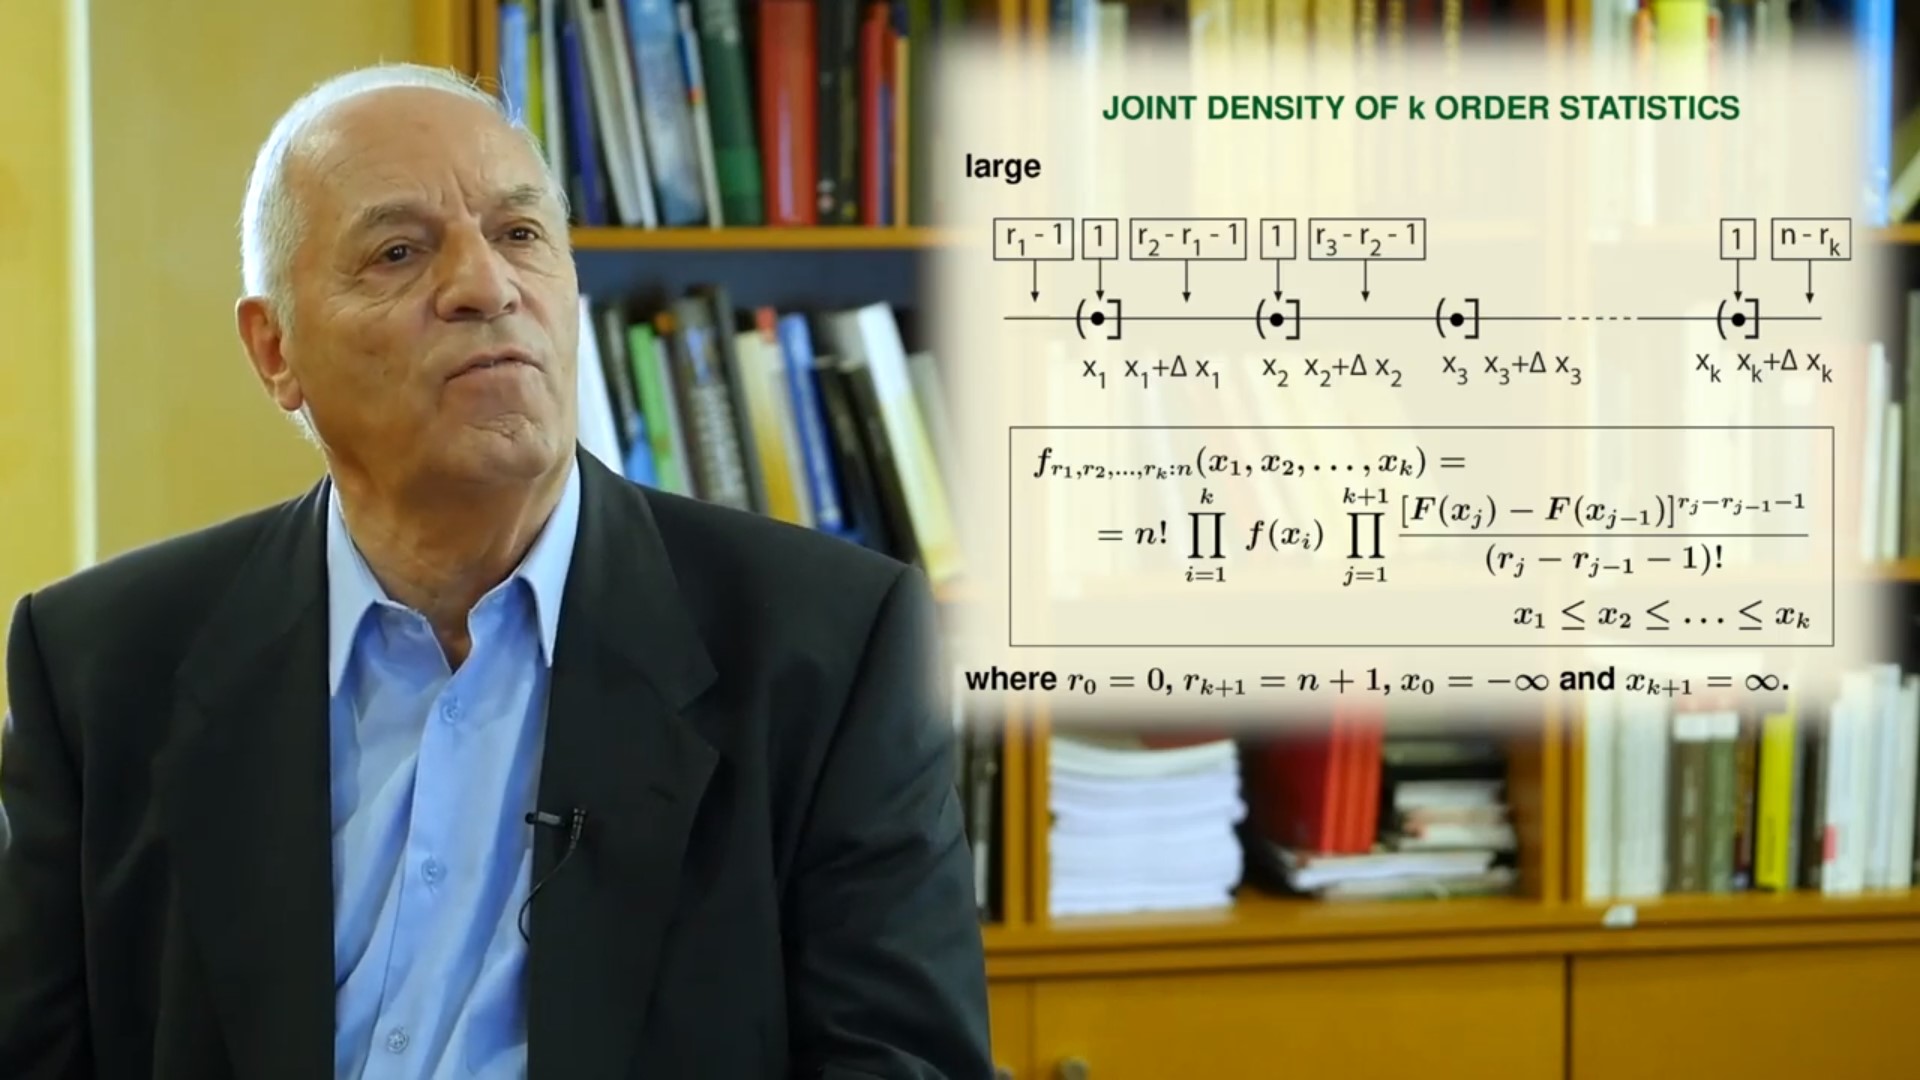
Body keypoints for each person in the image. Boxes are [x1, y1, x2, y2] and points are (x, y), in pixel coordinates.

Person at [0, 63, 991, 1079]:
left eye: (520, 234)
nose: (486, 285)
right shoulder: (97, 667)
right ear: (274, 350)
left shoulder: (826, 647)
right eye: (398, 252)